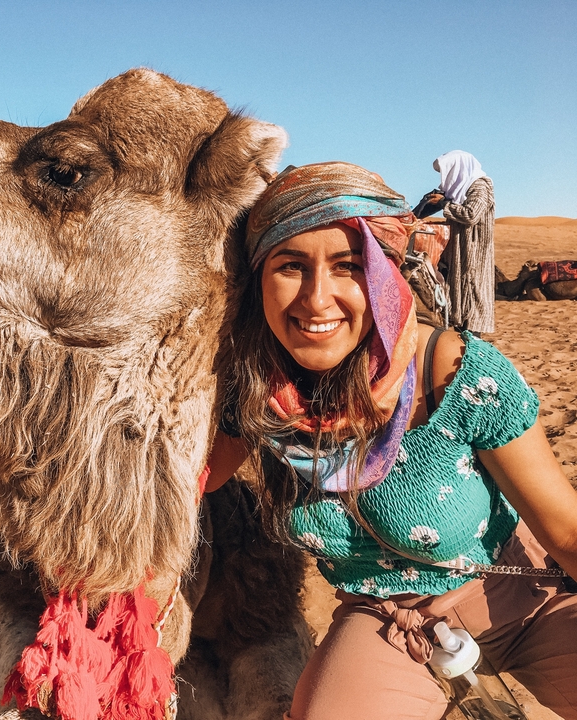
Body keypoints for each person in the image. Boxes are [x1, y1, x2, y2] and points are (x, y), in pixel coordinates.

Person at [204, 162, 577, 720]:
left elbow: (564, 527)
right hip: (384, 622)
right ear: (258, 280)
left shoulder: (449, 371)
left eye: (348, 266)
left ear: (383, 274)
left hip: (519, 601)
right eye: (290, 265)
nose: (316, 298)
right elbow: (183, 489)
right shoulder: (255, 398)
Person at [430, 150, 496, 335]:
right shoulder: (461, 190)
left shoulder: (480, 187)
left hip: (473, 253)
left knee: (472, 295)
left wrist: (444, 204)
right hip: (459, 252)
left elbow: (471, 214)